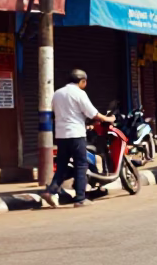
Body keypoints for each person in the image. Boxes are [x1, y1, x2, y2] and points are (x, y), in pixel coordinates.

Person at [41, 69, 114, 208]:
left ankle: (51, 191)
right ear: (82, 81)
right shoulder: (80, 93)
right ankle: (80, 198)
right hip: (76, 134)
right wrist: (108, 118)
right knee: (81, 165)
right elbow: (92, 113)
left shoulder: (57, 93)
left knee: (62, 166)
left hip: (61, 135)